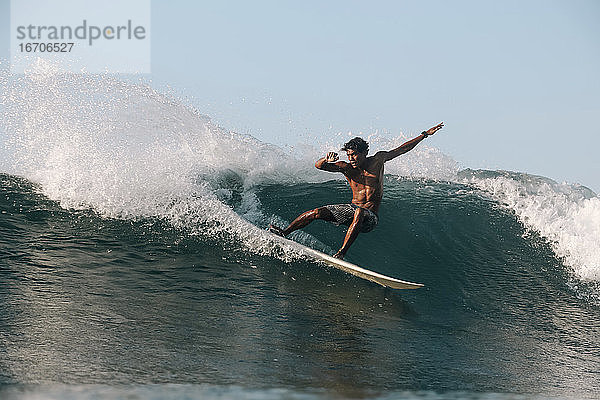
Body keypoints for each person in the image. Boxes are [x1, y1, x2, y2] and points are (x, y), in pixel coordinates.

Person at [269, 122, 444, 259]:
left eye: (354, 155)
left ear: (364, 152)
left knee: (360, 211)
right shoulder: (346, 167)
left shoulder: (378, 160)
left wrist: (424, 135)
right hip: (351, 211)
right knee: (316, 212)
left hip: (370, 218)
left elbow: (402, 149)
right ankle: (284, 232)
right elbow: (319, 166)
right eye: (349, 155)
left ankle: (341, 253)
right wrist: (326, 158)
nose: (351, 158)